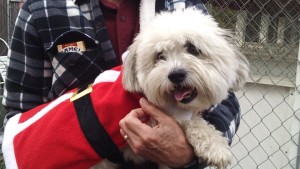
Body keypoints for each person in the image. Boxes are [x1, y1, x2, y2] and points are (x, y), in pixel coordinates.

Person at [2, 0, 241, 168]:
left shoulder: (182, 5)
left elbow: (224, 92)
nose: (176, 69)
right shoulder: (41, 9)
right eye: (160, 57)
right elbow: (20, 111)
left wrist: (186, 154)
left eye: (191, 50)